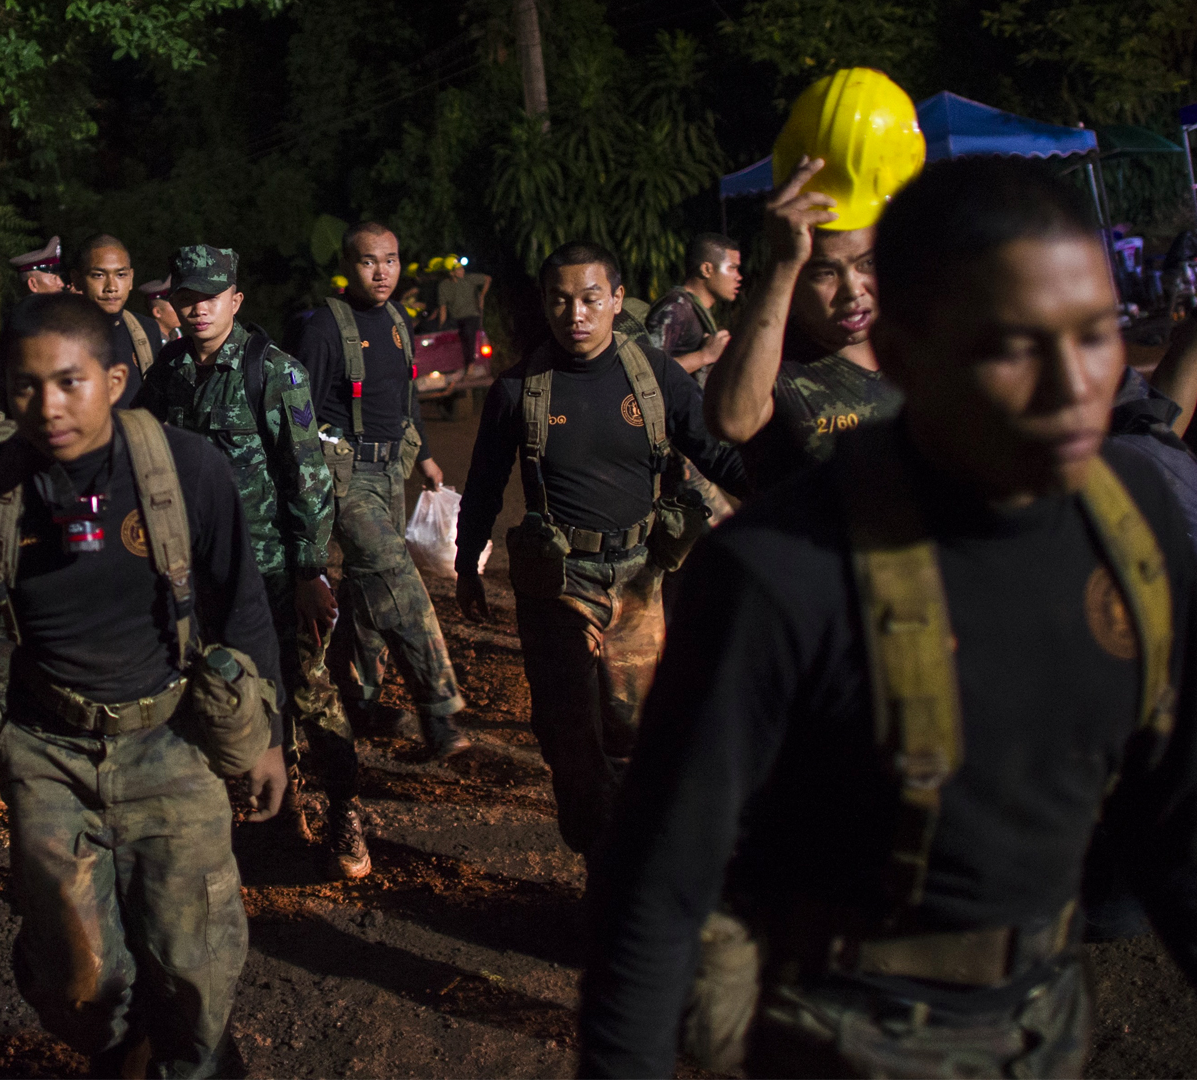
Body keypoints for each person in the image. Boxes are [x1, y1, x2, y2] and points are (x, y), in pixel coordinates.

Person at [580, 157, 1197, 1079]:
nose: (1077, 386)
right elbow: (658, 890)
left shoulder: (1136, 529)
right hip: (842, 1041)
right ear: (906, 352)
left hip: (1043, 1032)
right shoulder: (782, 576)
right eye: (1016, 345)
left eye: (1098, 333)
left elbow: (1178, 826)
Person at [0, 293, 283, 1077]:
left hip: (172, 744)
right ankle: (123, 1050)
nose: (47, 405)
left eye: (69, 382)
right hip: (46, 753)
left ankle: (194, 1060)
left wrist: (270, 741)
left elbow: (241, 604)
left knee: (197, 967)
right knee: (76, 983)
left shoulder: (190, 470)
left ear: (116, 379)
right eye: (25, 386)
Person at [455, 241, 747, 868]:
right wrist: (465, 562)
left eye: (591, 298)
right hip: (558, 587)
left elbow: (716, 453)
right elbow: (482, 485)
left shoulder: (655, 376)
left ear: (617, 300)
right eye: (560, 300)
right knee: (570, 741)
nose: (576, 314)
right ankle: (601, 863)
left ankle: (633, 861)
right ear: (545, 304)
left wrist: (788, 482)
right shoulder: (520, 390)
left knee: (635, 734)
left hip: (641, 579)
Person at [133, 245, 353, 874]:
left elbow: (308, 478)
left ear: (235, 300)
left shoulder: (274, 372)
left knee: (308, 694)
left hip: (277, 571)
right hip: (201, 575)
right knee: (223, 694)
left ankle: (346, 808)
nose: (197, 309)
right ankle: (279, 815)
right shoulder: (168, 373)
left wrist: (311, 570)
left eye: (210, 297)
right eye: (187, 298)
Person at [292, 223, 469, 774]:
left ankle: (361, 702)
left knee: (369, 591)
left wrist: (425, 457)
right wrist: (312, 490)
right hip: (348, 482)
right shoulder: (324, 328)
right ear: (349, 266)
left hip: (393, 470)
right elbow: (300, 414)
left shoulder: (397, 321)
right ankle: (441, 714)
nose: (382, 272)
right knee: (400, 581)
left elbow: (407, 396)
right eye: (370, 262)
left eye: (390, 260)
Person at [704, 157, 903, 492]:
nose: (852, 290)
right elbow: (732, 421)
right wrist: (785, 261)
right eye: (825, 273)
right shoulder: (777, 363)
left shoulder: (916, 346)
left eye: (866, 264)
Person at [71, 234, 164, 402]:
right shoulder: (56, 333)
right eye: (99, 275)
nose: (111, 287)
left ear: (131, 279)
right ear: (77, 280)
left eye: (121, 275)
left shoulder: (146, 329)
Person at [645, 232, 739, 384]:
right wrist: (705, 355)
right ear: (706, 269)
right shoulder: (676, 307)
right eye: (732, 268)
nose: (738, 277)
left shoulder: (696, 310)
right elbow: (649, 373)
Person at [432, 257, 489, 372]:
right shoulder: (444, 286)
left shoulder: (469, 279)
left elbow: (488, 279)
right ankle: (445, 366)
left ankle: (470, 364)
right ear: (451, 273)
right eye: (458, 269)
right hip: (456, 318)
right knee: (442, 333)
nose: (462, 271)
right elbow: (443, 308)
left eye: (462, 268)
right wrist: (441, 326)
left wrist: (482, 296)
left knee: (468, 331)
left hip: (471, 316)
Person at [139, 275, 182, 342]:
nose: (181, 309)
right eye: (174, 306)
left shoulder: (176, 335)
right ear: (157, 312)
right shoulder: (146, 341)